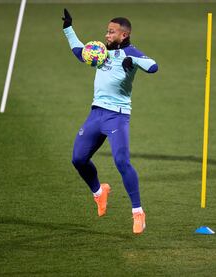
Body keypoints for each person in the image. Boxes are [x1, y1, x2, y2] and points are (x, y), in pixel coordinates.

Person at [62, 9, 158, 234]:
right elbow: (79, 51)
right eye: (107, 31)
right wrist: (68, 28)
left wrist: (130, 60)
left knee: (122, 161)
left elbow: (153, 66)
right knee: (78, 159)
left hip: (117, 116)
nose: (106, 35)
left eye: (111, 32)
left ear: (123, 35)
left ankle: (138, 212)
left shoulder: (132, 53)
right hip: (96, 114)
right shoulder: (101, 52)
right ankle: (99, 192)